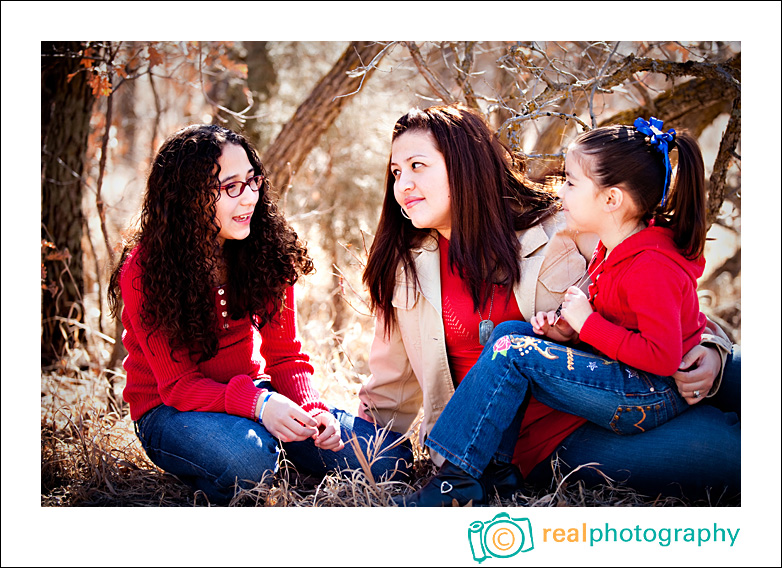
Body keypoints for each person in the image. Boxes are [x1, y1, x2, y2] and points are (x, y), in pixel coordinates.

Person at [358, 104, 739, 507]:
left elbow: (659, 293)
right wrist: (339, 438)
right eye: (397, 172)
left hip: (618, 384)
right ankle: (467, 481)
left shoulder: (566, 225)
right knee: (734, 455)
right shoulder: (404, 268)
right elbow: (389, 395)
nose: (402, 184)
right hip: (544, 440)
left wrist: (713, 350)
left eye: (418, 166)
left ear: (464, 165)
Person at [108, 124, 411, 505]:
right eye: (231, 186)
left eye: (253, 181)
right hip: (169, 413)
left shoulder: (262, 247)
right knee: (251, 461)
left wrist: (313, 412)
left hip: (256, 396)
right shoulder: (145, 270)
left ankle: (272, 446)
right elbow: (180, 386)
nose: (249, 197)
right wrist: (260, 407)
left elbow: (285, 356)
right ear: (188, 196)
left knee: (390, 460)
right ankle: (252, 456)